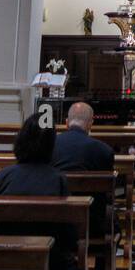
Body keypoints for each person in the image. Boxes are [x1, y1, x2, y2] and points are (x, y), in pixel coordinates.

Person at [0, 113, 78, 270]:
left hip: (6, 262)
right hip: (48, 263)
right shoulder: (58, 179)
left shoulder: (4, 176)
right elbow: (69, 234)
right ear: (51, 146)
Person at [52, 102, 116, 239]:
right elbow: (108, 191)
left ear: (67, 123)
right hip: (92, 224)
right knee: (115, 228)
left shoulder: (49, 146)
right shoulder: (103, 151)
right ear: (90, 124)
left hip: (56, 221)